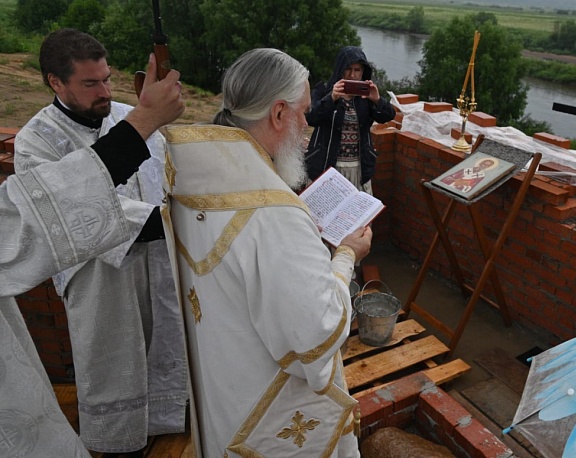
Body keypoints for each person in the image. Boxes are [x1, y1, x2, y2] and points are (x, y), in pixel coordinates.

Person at [161, 48, 372, 457]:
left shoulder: (192, 179)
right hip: (269, 410)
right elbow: (317, 335)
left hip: (224, 386)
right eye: (304, 113)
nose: (307, 126)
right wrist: (347, 255)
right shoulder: (277, 215)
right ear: (278, 113)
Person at [13, 28, 189, 456]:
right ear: (56, 82)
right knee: (114, 367)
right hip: (99, 283)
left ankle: (165, 432)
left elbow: (170, 180)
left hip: (159, 267)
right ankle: (120, 445)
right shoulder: (35, 142)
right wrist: (169, 223)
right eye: (90, 83)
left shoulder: (131, 118)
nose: (105, 92)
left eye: (107, 79)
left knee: (165, 352)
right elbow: (75, 208)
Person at [305, 46, 396, 194]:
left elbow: (388, 116)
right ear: (340, 69)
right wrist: (331, 98)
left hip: (357, 168)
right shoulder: (323, 90)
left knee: (355, 207)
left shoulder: (366, 97)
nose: (352, 75)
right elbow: (311, 118)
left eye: (357, 70)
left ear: (363, 71)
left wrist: (377, 100)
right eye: (348, 69)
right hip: (326, 165)